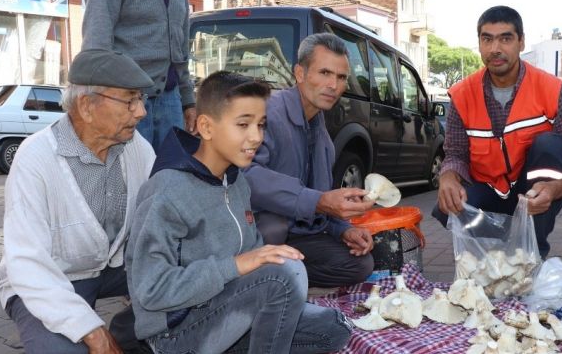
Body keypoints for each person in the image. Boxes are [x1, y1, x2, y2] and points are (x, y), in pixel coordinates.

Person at [125, 71, 352, 353]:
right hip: (176, 334)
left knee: (336, 326)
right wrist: (235, 265)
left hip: (228, 311)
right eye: (243, 124)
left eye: (261, 124)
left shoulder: (236, 181)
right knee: (283, 275)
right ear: (206, 127)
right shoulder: (167, 190)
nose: (256, 137)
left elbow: (255, 260)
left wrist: (261, 274)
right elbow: (152, 290)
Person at [0, 49, 156, 353]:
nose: (141, 112)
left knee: (193, 291)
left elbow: (161, 219)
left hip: (115, 269)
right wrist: (91, 330)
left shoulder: (136, 148)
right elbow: (27, 263)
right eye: (130, 99)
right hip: (47, 279)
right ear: (86, 105)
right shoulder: (36, 158)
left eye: (140, 99)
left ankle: (128, 329)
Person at [433, 6, 562, 258]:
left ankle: (532, 251)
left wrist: (555, 190)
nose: (495, 49)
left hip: (533, 196)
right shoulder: (462, 95)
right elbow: (456, 154)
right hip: (488, 189)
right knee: (449, 205)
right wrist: (447, 177)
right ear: (479, 43)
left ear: (521, 42)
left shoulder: (553, 91)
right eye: (487, 39)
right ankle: (489, 253)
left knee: (550, 145)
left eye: (506, 38)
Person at [244, 33, 375, 288]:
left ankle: (283, 278)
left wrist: (344, 230)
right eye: (324, 73)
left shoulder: (322, 134)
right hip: (258, 233)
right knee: (274, 226)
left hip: (299, 236)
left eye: (340, 77)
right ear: (300, 73)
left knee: (363, 262)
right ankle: (269, 279)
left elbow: (321, 200)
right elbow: (246, 176)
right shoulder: (269, 112)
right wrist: (318, 201)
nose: (333, 85)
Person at [82, 0, 196, 150]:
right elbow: (97, 41)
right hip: (126, 101)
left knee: (170, 177)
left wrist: (188, 101)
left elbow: (181, 49)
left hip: (170, 101)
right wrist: (103, 102)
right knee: (127, 180)